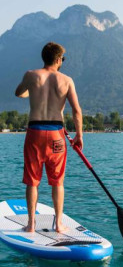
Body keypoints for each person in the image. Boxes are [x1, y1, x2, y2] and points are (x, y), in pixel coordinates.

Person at [15, 42, 83, 232]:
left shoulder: (31, 75)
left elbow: (18, 93)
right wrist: (79, 136)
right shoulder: (67, 80)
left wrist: (33, 90)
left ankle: (31, 224)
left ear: (44, 57)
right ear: (59, 59)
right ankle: (59, 224)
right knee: (57, 181)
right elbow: (76, 111)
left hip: (35, 133)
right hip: (56, 135)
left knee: (32, 180)